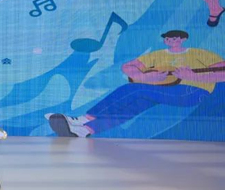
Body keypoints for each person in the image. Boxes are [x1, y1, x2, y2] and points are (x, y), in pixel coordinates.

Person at [47, 30, 225, 137]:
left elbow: (222, 73)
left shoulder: (200, 53)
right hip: (160, 88)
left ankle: (84, 119)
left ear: (183, 39)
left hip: (193, 91)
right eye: (169, 39)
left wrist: (193, 76)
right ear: (165, 41)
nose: (172, 41)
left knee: (133, 89)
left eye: (176, 38)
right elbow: (128, 67)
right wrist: (146, 78)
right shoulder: (158, 55)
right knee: (136, 104)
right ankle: (85, 130)